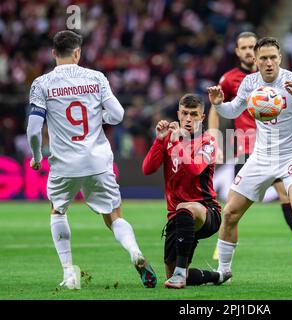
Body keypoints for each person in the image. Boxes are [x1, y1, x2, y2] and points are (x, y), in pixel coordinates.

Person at [26, 30, 157, 290]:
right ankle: (135, 253)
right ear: (77, 53)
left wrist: (37, 157)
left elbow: (32, 129)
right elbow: (118, 114)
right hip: (98, 161)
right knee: (113, 215)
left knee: (58, 210)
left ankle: (69, 274)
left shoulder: (42, 84)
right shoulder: (96, 77)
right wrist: (101, 120)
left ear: (53, 53)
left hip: (65, 163)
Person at [207, 37, 292, 286]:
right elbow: (233, 110)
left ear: (280, 59)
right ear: (255, 61)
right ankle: (223, 272)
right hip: (261, 157)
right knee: (230, 212)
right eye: (263, 58)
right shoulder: (249, 82)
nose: (268, 63)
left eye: (272, 58)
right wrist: (218, 105)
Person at [142, 94, 232, 289]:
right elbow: (147, 169)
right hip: (176, 218)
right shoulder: (169, 139)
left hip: (207, 212)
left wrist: (176, 143)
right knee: (170, 272)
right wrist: (159, 140)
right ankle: (216, 276)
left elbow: (193, 169)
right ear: (178, 114)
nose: (188, 119)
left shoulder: (208, 142)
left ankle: (180, 274)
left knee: (186, 207)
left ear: (202, 117)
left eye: (194, 114)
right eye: (184, 113)